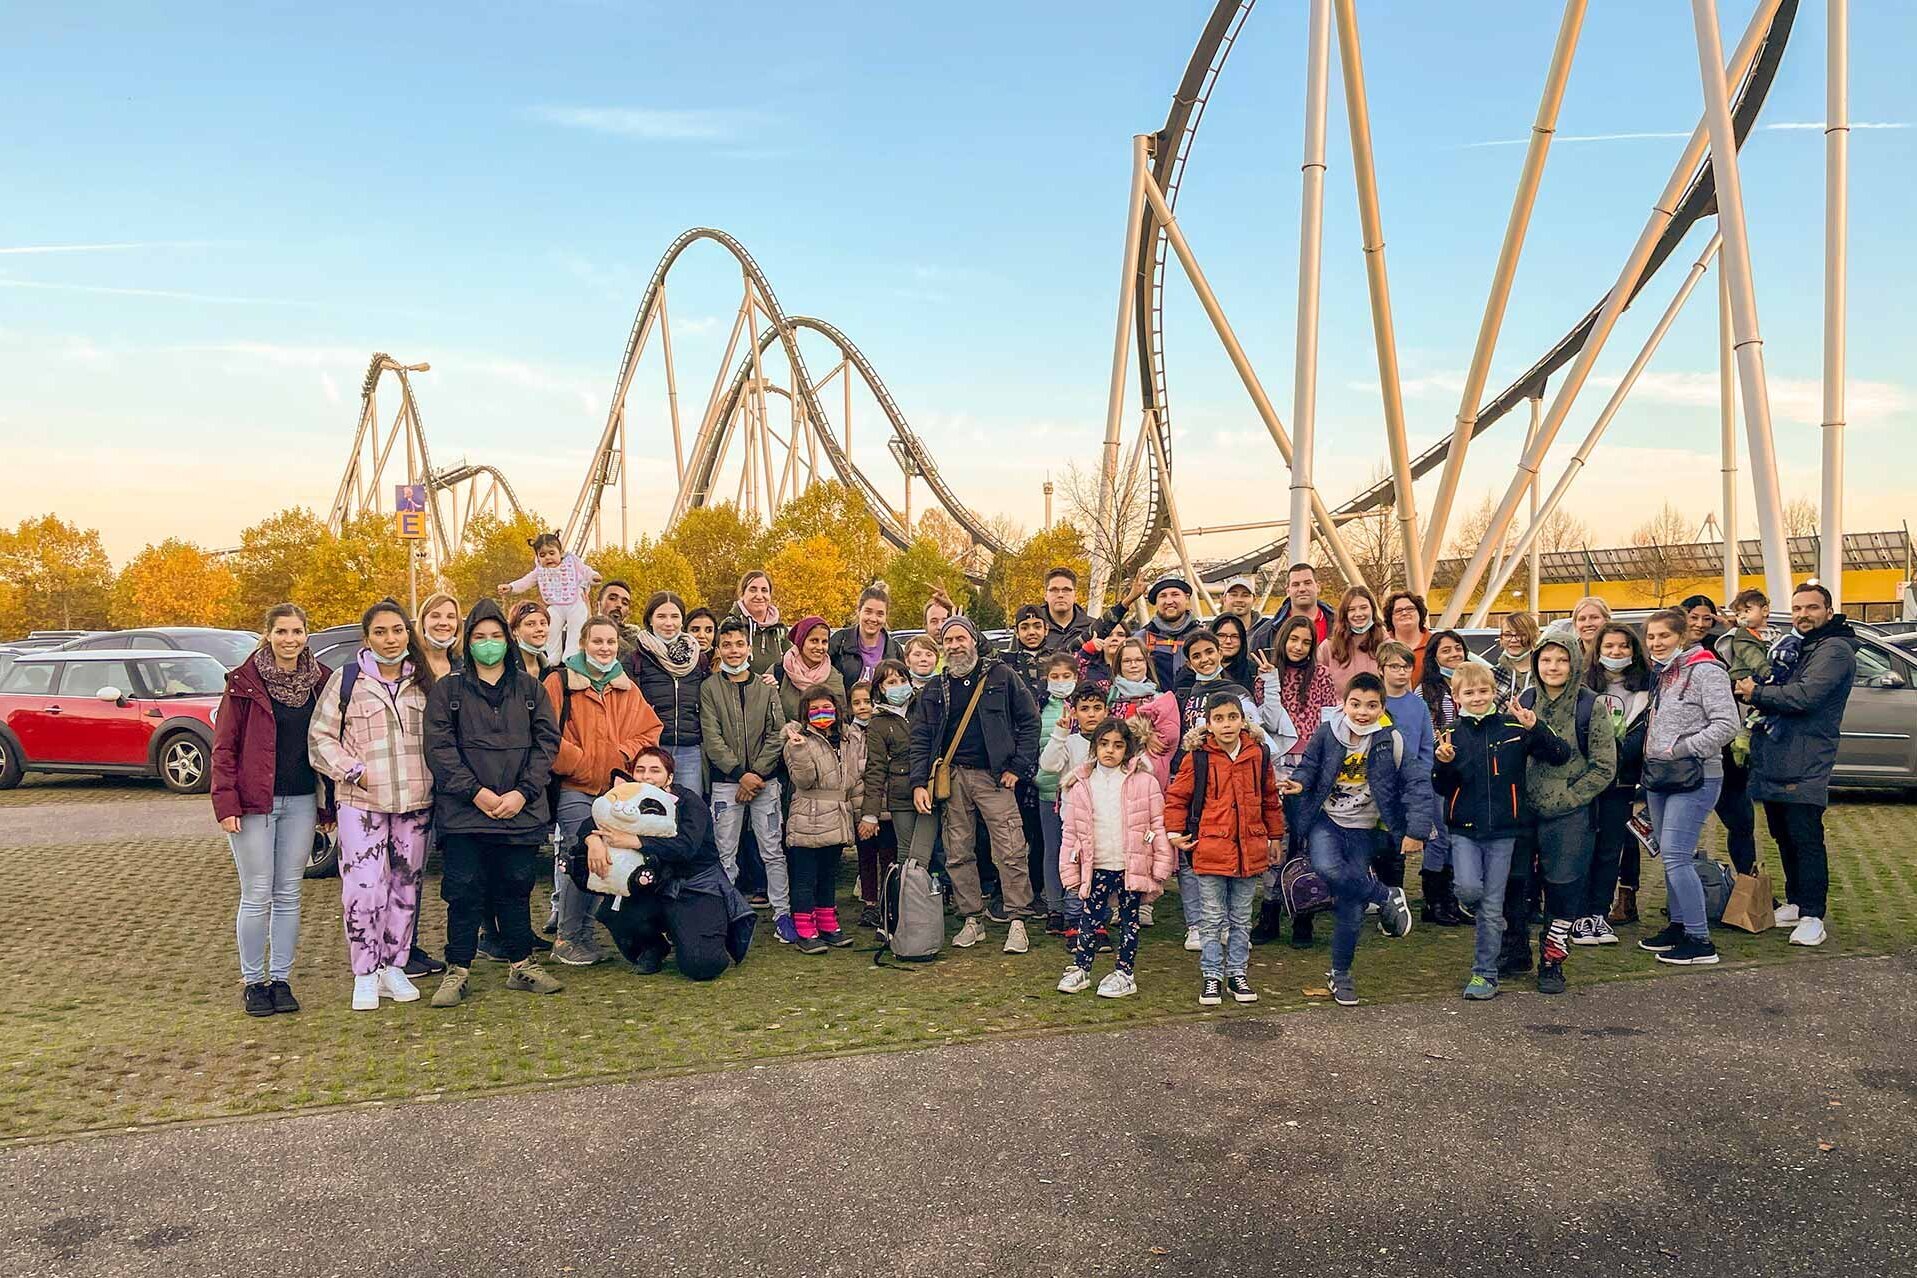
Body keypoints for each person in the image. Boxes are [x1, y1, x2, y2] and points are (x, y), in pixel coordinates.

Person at [422, 600, 565, 1006]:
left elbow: (546, 744)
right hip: (466, 813)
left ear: (508, 639)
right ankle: (458, 969)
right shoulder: (448, 689)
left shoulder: (531, 689)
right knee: (463, 890)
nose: (489, 644)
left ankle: (522, 964)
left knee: (515, 888)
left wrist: (523, 792)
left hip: (519, 811)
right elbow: (440, 749)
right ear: (468, 643)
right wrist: (476, 793)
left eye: (496, 637)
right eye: (480, 638)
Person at [307, 598, 437, 1011]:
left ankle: (393, 966)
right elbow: (320, 737)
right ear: (368, 638)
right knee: (364, 888)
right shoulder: (347, 682)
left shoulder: (424, 682)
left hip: (415, 801)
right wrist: (352, 770)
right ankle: (365, 971)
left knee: (405, 889)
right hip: (361, 803)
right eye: (380, 632)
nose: (390, 639)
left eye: (397, 630)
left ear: (407, 634)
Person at [1280, 672, 1430, 1008]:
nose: (1362, 712)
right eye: (1355, 704)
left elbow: (1417, 783)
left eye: (1371, 705)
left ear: (1382, 707)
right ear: (1344, 703)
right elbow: (1309, 766)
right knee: (1327, 866)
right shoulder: (1327, 732)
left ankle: (1340, 973)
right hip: (1327, 820)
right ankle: (1384, 895)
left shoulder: (1392, 739)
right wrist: (1299, 784)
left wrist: (1416, 830)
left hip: (1365, 828)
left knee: (1351, 899)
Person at [213, 602, 330, 1016]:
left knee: (288, 893)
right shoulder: (243, 683)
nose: (290, 640)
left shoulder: (321, 682)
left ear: (306, 635)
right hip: (252, 803)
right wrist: (225, 802)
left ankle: (280, 979)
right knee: (257, 893)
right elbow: (224, 747)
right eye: (281, 632)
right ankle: (253, 981)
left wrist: (328, 802)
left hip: (301, 800)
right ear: (268, 635)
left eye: (297, 632)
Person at [1434, 663, 1569, 1000]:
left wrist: (1536, 727)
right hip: (1464, 828)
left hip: (1506, 831)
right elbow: (1440, 786)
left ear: (1493, 691)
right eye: (1469, 692)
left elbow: (1559, 754)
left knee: (1493, 907)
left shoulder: (1513, 725)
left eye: (1483, 691)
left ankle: (1485, 974)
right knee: (1467, 889)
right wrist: (1443, 763)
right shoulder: (1451, 733)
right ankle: (1481, 915)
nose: (1477, 697)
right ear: (1457, 696)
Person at [909, 617, 1040, 954]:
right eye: (947, 640)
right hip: (952, 779)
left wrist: (1018, 768)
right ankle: (972, 919)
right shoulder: (935, 688)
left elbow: (1029, 721)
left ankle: (1017, 921)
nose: (954, 645)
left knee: (1010, 849)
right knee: (957, 852)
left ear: (974, 640)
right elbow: (921, 737)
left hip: (995, 778)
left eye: (960, 638)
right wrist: (918, 783)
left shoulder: (1001, 676)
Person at [1738, 581, 1856, 948]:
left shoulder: (1834, 649)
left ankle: (1813, 916)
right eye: (1798, 609)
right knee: (1783, 834)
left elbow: (1806, 696)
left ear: (1828, 613)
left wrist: (1755, 693)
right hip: (1777, 752)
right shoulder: (1799, 646)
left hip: (1806, 755)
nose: (1804, 615)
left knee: (1805, 837)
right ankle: (1796, 901)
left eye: (1812, 608)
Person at [573, 747, 756, 981]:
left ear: (669, 777)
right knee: (614, 912)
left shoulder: (690, 803)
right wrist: (593, 840)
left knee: (703, 965)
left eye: (654, 770)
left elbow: (686, 847)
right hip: (650, 883)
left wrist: (637, 841)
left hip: (694, 886)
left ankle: (703, 930)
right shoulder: (627, 796)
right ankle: (652, 947)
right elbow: (592, 821)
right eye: (640, 770)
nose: (646, 776)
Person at [543, 615, 663, 966]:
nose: (605, 648)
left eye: (611, 642)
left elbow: (650, 731)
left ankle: (585, 932)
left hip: (613, 793)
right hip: (575, 787)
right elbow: (545, 734)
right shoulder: (560, 681)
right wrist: (578, 760)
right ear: (583, 643)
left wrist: (622, 756)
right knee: (579, 854)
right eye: (598, 641)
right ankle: (567, 935)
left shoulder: (625, 686)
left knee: (606, 860)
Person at [1512, 626, 1616, 994]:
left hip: (1570, 814)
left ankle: (1553, 959)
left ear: (1574, 663)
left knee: (1563, 889)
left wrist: (1572, 797)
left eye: (1561, 659)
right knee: (1519, 884)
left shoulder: (1592, 705)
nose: (1553, 666)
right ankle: (1516, 950)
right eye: (1546, 659)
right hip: (1524, 812)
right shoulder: (1524, 699)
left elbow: (1604, 765)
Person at [1166, 694, 1286, 1006]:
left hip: (1250, 848)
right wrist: (1174, 832)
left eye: (1232, 717)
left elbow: (1270, 799)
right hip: (1209, 848)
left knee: (1241, 917)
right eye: (1219, 719)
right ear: (1208, 724)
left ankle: (1237, 973)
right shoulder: (1198, 757)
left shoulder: (1258, 753)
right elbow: (1178, 796)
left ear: (1243, 720)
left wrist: (1275, 837)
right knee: (1211, 916)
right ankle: (1211, 976)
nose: (1227, 724)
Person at [1636, 608, 1740, 966]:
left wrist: (1682, 749)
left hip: (1695, 775)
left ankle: (1700, 939)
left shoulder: (1706, 671)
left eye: (1663, 636)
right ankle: (1679, 925)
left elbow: (1727, 724)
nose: (1656, 643)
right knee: (1668, 855)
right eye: (1650, 637)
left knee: (1678, 855)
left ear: (1682, 637)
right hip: (1660, 775)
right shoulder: (1663, 674)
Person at [1055, 720, 1176, 999]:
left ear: (1128, 749)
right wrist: (1070, 870)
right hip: (1096, 866)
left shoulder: (1144, 782)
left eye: (1118, 745)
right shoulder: (1081, 783)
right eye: (1104, 744)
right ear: (1095, 746)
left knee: (1128, 920)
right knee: (1089, 918)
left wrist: (1160, 865)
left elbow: (1157, 824)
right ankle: (1081, 967)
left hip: (1129, 866)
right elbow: (1070, 831)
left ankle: (1124, 972)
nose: (1110, 750)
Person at [702, 617, 795, 942]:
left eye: (739, 644)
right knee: (725, 853)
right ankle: (725, 916)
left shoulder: (765, 688)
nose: (733, 650)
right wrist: (740, 775)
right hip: (727, 783)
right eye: (726, 644)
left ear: (749, 648)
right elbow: (712, 739)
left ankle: (783, 914)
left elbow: (778, 731)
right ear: (719, 648)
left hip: (765, 782)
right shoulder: (709, 688)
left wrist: (756, 774)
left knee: (772, 850)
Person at [1250, 614, 1339, 947]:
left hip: (1312, 765)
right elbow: (1267, 721)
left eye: (1306, 641)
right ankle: (1270, 910)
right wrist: (1270, 682)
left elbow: (1330, 723)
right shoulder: (1267, 677)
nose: (1299, 647)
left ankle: (1305, 914)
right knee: (1279, 837)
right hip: (1277, 763)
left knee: (1308, 839)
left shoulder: (1323, 677)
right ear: (1283, 640)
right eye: (1294, 640)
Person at [781, 685, 864, 954]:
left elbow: (857, 778)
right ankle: (804, 928)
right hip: (809, 814)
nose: (821, 713)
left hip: (838, 814)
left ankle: (828, 924)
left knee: (828, 874)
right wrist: (799, 751)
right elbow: (803, 780)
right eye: (814, 709)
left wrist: (861, 815)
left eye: (826, 707)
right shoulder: (798, 740)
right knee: (806, 876)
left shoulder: (849, 737)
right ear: (805, 713)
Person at [1381, 641, 1458, 926]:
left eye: (1406, 667)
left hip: (1419, 782)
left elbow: (1427, 743)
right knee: (1390, 845)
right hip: (1385, 784)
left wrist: (1425, 776)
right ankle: (1390, 901)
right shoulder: (1376, 701)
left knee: (1436, 836)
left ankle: (1434, 899)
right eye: (1394, 667)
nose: (1401, 672)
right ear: (1382, 668)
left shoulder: (1418, 704)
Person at [1582, 622, 1652, 932]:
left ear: (1634, 651)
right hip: (1586, 779)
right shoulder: (1584, 687)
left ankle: (1601, 910)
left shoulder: (1648, 688)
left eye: (1623, 646)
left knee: (1612, 846)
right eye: (1609, 646)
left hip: (1623, 780)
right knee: (1585, 844)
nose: (1616, 652)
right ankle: (1579, 908)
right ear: (1597, 651)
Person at [1039, 681, 1111, 941]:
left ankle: (1098, 922)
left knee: (1103, 870)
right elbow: (1048, 765)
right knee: (1075, 870)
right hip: (1073, 819)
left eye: (1097, 708)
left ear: (1106, 711)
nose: (1091, 714)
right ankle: (1074, 921)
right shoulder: (1069, 742)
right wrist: (1059, 734)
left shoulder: (1113, 741)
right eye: (1085, 708)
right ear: (1075, 712)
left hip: (1106, 819)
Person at [1711, 587, 1773, 876]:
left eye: (1704, 618)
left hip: (1729, 757)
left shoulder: (1722, 642)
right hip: (1693, 757)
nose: (1699, 623)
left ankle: (1749, 890)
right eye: (1691, 617)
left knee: (1742, 824)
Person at [628, 591, 709, 797]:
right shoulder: (635, 659)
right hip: (651, 748)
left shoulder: (698, 658)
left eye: (675, 616)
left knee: (689, 809)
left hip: (690, 748)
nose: (669, 623)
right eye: (661, 616)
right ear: (650, 620)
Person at [858, 660, 917, 927]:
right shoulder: (879, 723)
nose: (899, 686)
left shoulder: (922, 707)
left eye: (902, 680)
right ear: (880, 688)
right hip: (901, 795)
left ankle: (928, 902)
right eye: (891, 682)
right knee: (905, 853)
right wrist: (870, 813)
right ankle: (901, 911)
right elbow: (875, 769)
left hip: (931, 788)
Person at [1031, 651, 1085, 933]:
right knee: (1053, 851)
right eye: (1055, 677)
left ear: (1076, 678)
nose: (1061, 682)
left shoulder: (1084, 706)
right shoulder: (1039, 706)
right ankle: (1055, 906)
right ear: (1046, 679)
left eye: (1067, 677)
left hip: (1081, 795)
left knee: (1081, 852)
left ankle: (1079, 904)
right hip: (1049, 792)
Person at [499, 532, 600, 661]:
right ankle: (553, 656)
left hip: (575, 603)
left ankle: (572, 655)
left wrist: (593, 577)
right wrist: (511, 587)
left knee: (576, 628)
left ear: (560, 553)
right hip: (556, 605)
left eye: (551, 553)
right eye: (542, 555)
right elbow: (526, 581)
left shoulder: (572, 563)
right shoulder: (540, 571)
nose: (548, 558)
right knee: (551, 627)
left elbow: (586, 571)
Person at [1249, 562, 1336, 653]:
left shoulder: (1341, 625)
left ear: (1318, 587)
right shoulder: (1265, 634)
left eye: (1307, 583)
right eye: (1296, 584)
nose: (1302, 589)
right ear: (1288, 590)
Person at [829, 586, 901, 689]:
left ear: (886, 617)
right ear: (859, 611)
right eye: (868, 612)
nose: (873, 619)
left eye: (880, 614)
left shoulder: (894, 650)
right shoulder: (840, 641)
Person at [779, 616, 846, 725]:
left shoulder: (834, 677)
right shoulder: (779, 673)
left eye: (824, 642)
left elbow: (841, 718)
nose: (820, 647)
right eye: (814, 641)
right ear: (801, 642)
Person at [1316, 586, 1382, 693]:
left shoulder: (1386, 645)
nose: (1358, 614)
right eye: (1351, 609)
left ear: (1373, 610)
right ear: (1345, 614)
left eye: (1363, 608)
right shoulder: (1328, 647)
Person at [726, 569, 790, 676]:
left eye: (764, 590)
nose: (759, 596)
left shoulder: (780, 630)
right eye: (753, 590)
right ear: (742, 594)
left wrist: (778, 679)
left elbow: (792, 664)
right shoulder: (730, 625)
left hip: (773, 691)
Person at [1038, 566, 1096, 653]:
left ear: (1075, 595)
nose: (1060, 595)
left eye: (1066, 590)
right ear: (1045, 595)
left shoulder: (1092, 628)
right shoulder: (1032, 630)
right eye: (1054, 590)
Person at [1005, 605, 1053, 702]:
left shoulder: (1057, 659)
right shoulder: (1007, 663)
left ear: (1046, 629)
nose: (1031, 632)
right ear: (1017, 632)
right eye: (1024, 628)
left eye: (1037, 627)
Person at [1382, 592, 1431, 683]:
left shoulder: (1436, 643)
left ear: (1420, 613)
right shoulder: (1380, 645)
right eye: (1398, 611)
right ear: (1390, 618)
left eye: (1410, 609)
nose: (1404, 613)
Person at [1493, 611, 1539, 703]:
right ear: (1501, 638)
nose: (1513, 640)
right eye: (1507, 634)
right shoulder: (1492, 675)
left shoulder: (1544, 674)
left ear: (1533, 636)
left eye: (1521, 634)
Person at [416, 592, 463, 682]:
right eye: (435, 616)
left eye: (450, 617)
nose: (443, 623)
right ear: (422, 621)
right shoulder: (408, 664)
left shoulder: (464, 667)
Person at [597, 579, 640, 660]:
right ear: (599, 603)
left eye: (625, 603)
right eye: (612, 598)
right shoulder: (576, 631)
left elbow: (632, 661)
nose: (619, 605)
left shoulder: (635, 640)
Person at [509, 601, 553, 679]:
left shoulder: (548, 668)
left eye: (543, 623)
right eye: (530, 624)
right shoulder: (506, 668)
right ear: (515, 630)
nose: (539, 629)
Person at [1211, 612, 1253, 689]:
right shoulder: (1198, 669)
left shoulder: (1253, 671)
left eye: (1235, 636)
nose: (1228, 641)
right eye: (1221, 635)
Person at [1569, 596, 1612, 663]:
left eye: (1594, 617)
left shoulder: (1618, 654)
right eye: (1582, 619)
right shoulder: (1567, 657)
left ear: (1607, 621)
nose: (1588, 624)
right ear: (1575, 624)